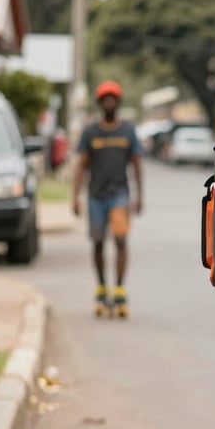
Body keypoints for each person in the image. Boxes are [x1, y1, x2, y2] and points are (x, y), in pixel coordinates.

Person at [73, 80, 143, 318]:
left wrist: (139, 195)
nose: (109, 101)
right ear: (100, 103)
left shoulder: (127, 131)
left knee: (121, 240)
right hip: (96, 196)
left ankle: (120, 288)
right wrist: (75, 197)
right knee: (98, 242)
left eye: (113, 97)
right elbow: (82, 166)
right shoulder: (91, 131)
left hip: (119, 195)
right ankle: (102, 287)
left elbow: (136, 164)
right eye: (105, 98)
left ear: (118, 102)